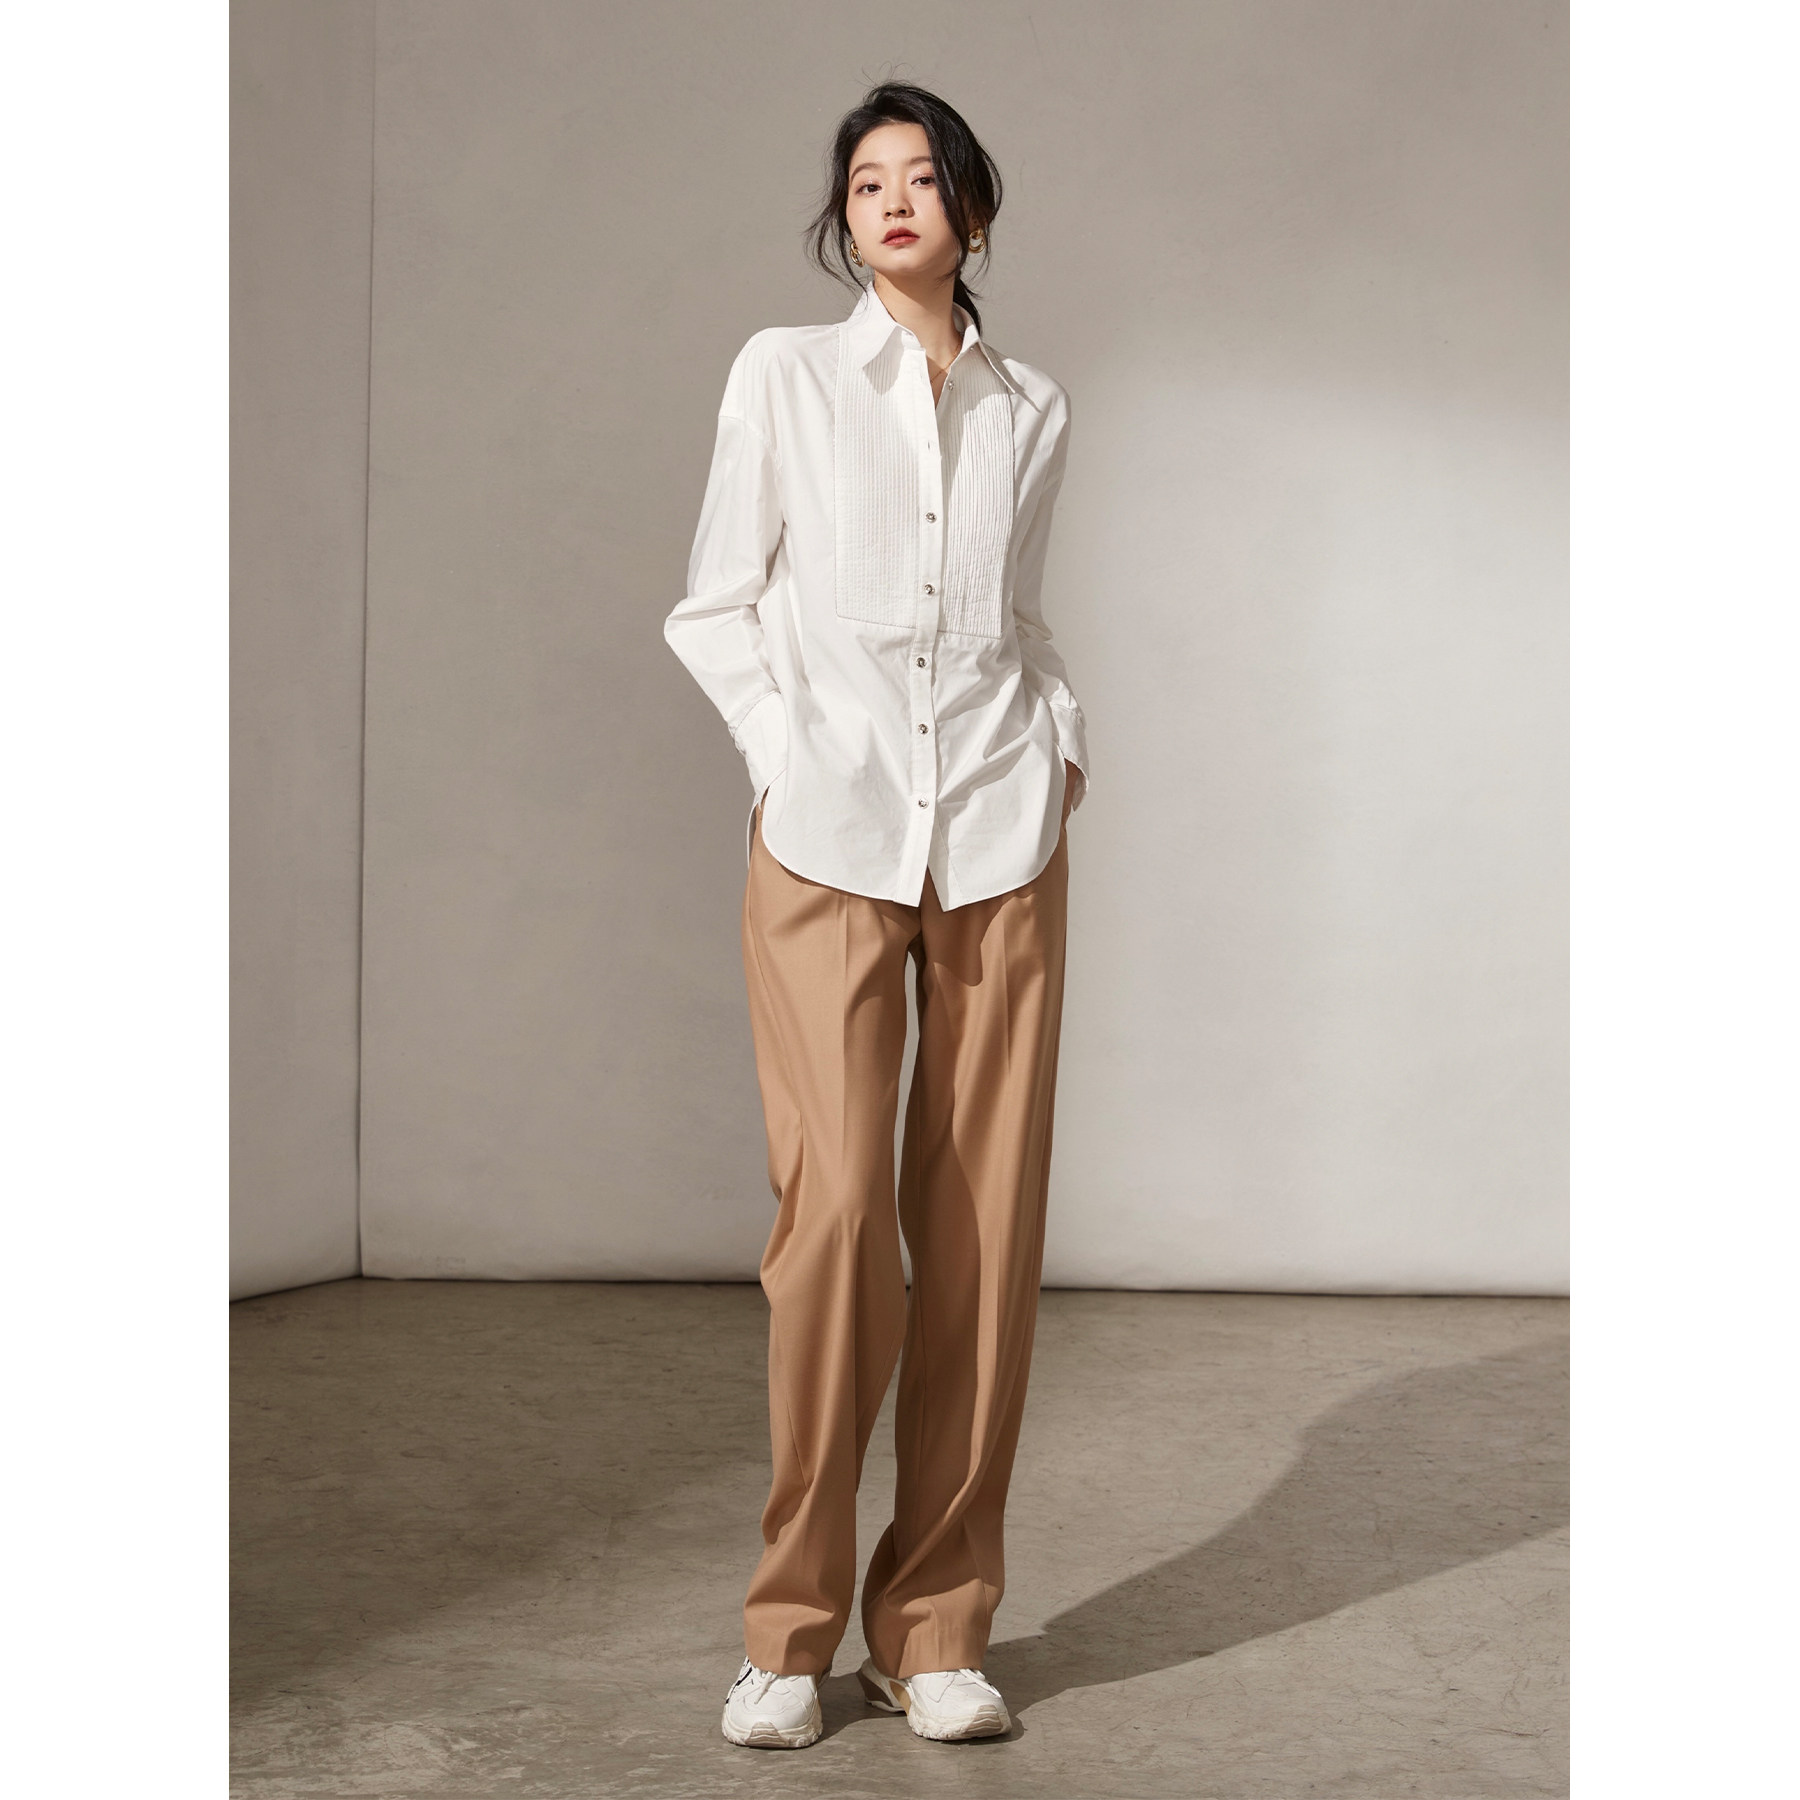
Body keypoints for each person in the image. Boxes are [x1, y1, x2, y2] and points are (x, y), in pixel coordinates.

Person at [663, 80, 1090, 1750]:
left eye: (922, 177)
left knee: (983, 1240)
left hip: (998, 838)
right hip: (829, 839)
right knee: (836, 1225)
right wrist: (782, 760)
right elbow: (715, 604)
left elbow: (1022, 620)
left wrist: (1063, 747)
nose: (894, 199)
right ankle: (789, 1634)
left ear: (973, 210)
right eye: (866, 181)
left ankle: (938, 1632)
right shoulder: (782, 374)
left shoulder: (1033, 407)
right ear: (844, 220)